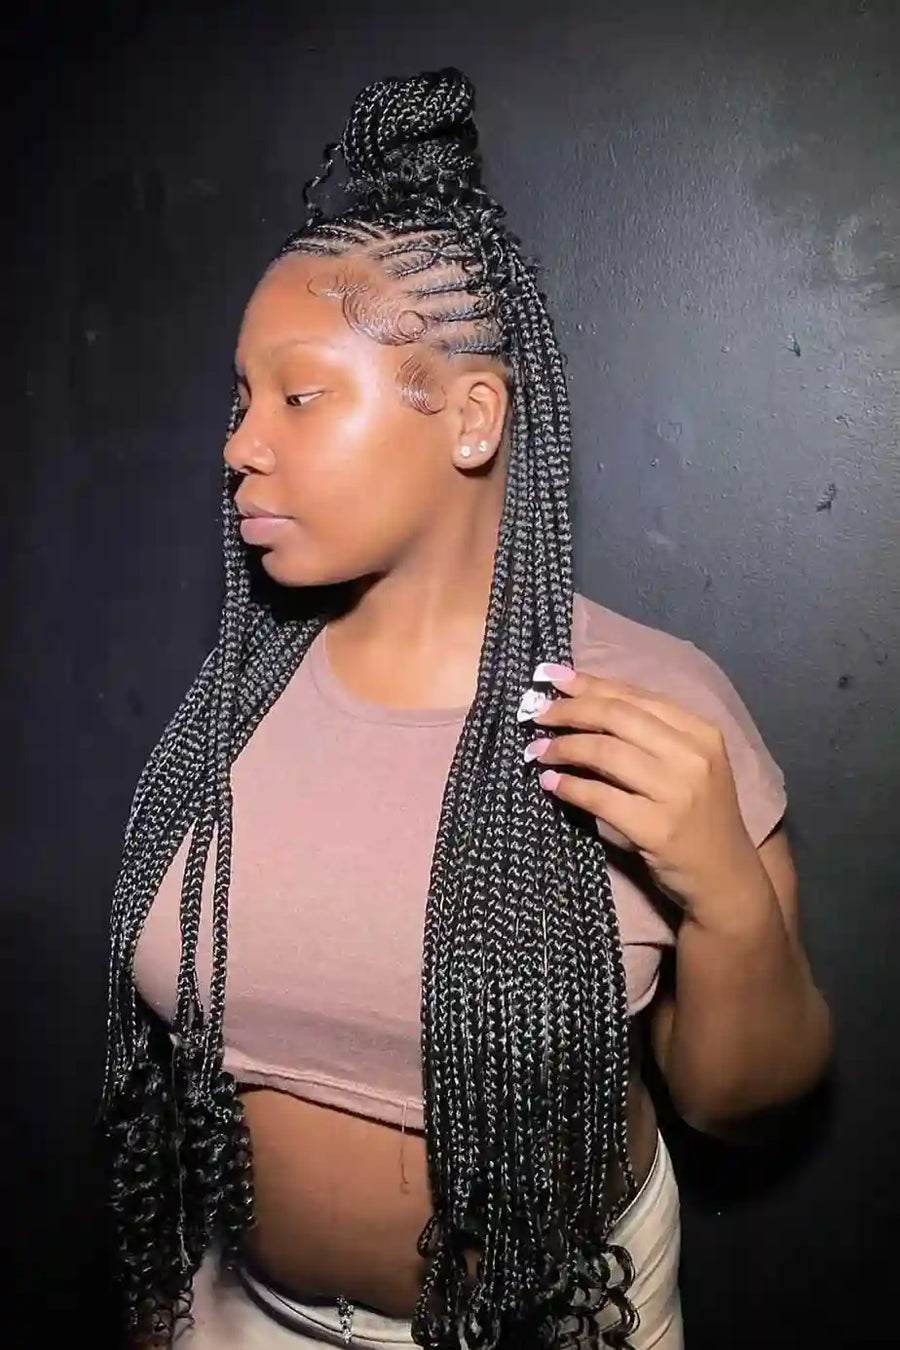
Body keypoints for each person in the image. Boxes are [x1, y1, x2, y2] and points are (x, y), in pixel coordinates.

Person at [101, 68, 832, 1350]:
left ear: (473, 417)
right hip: (242, 1314)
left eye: (300, 394)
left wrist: (722, 887)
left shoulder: (644, 705)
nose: (239, 445)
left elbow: (739, 1108)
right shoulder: (235, 695)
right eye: (239, 398)